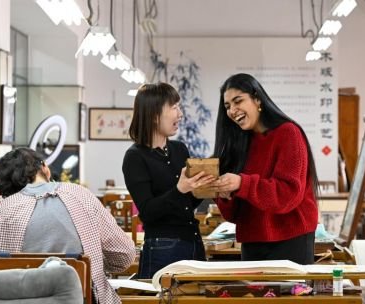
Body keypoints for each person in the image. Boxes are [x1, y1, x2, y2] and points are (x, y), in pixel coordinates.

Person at [0, 147, 135, 304]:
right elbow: (124, 255)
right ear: (44, 168)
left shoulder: (1, 211)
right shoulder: (81, 195)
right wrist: (95, 260)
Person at [211, 73, 319, 264]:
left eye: (238, 101)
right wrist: (225, 194)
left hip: (291, 240)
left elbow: (288, 195)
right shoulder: (240, 143)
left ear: (257, 99)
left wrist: (242, 183)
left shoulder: (288, 133)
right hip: (252, 242)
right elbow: (233, 215)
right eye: (227, 106)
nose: (232, 110)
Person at [122, 82, 215, 279]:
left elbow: (187, 204)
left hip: (193, 241)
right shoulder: (135, 157)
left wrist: (206, 188)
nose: (180, 114)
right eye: (174, 107)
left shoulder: (179, 149)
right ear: (154, 115)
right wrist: (179, 190)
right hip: (162, 247)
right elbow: (147, 212)